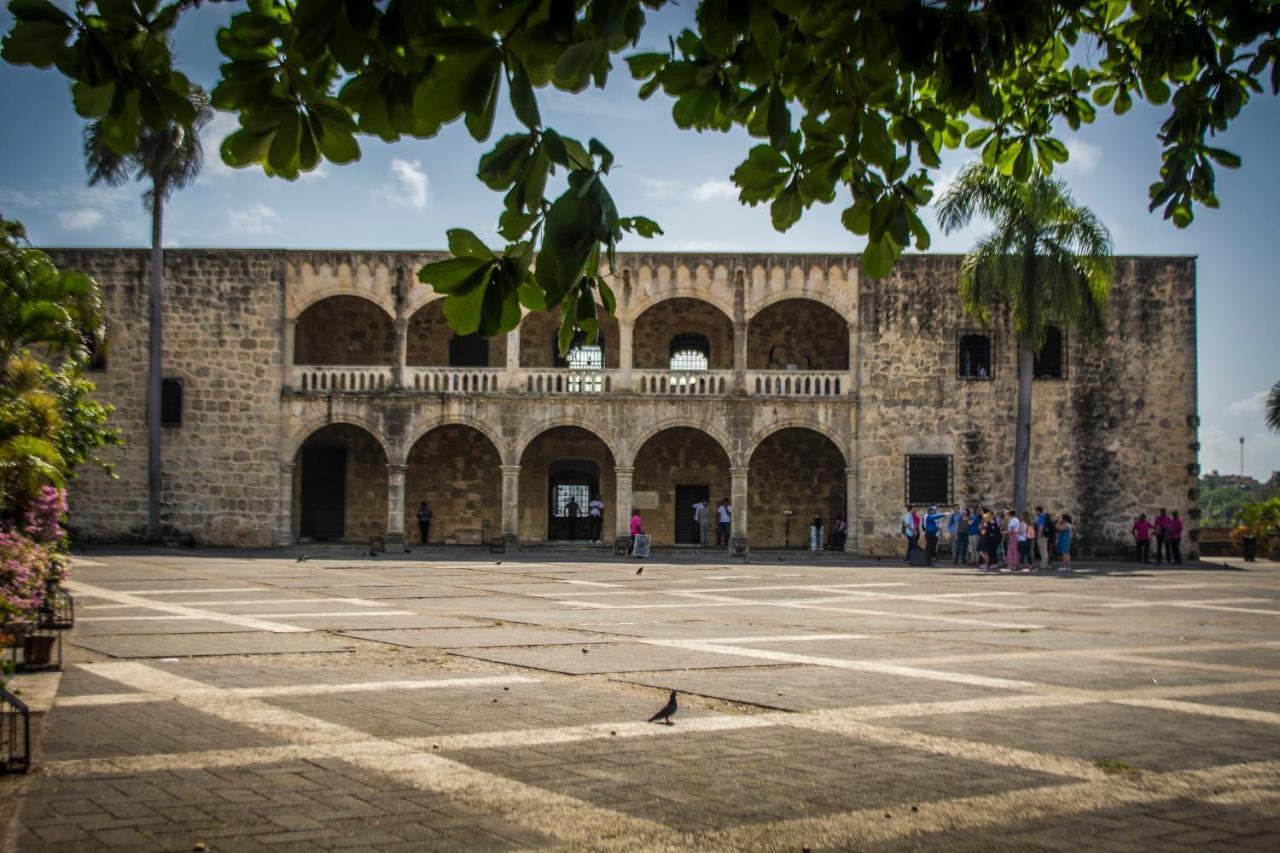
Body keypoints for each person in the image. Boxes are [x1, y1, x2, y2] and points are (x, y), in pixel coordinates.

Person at [1035, 505, 1051, 570]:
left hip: (1042, 536)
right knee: (1045, 551)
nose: (1035, 512)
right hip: (1045, 535)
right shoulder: (1045, 517)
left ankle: (1043, 565)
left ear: (1038, 511)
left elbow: (1041, 527)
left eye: (1036, 511)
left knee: (1043, 551)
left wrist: (1038, 535)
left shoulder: (1041, 518)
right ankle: (1045, 564)